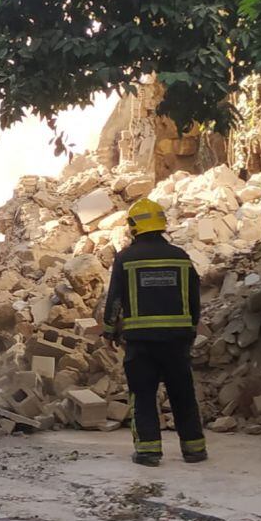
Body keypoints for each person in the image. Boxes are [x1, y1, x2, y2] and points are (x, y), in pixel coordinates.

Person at [102, 198, 207, 467]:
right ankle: (194, 449)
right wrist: (191, 327)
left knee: (143, 395)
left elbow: (115, 299)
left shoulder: (126, 258)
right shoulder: (180, 257)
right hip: (177, 341)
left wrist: (108, 331)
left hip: (141, 342)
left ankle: (148, 451)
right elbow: (195, 297)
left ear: (134, 227)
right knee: (182, 393)